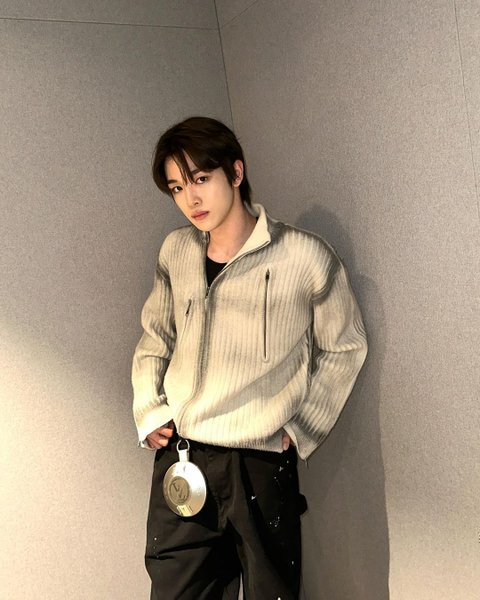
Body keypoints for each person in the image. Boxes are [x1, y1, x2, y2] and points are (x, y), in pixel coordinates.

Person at [131, 116, 368, 600]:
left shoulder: (304, 256)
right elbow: (156, 336)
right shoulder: (176, 251)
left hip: (258, 462)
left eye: (201, 179)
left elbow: (344, 346)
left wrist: (302, 428)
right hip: (183, 456)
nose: (190, 199)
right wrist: (149, 409)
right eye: (177, 188)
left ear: (236, 172)